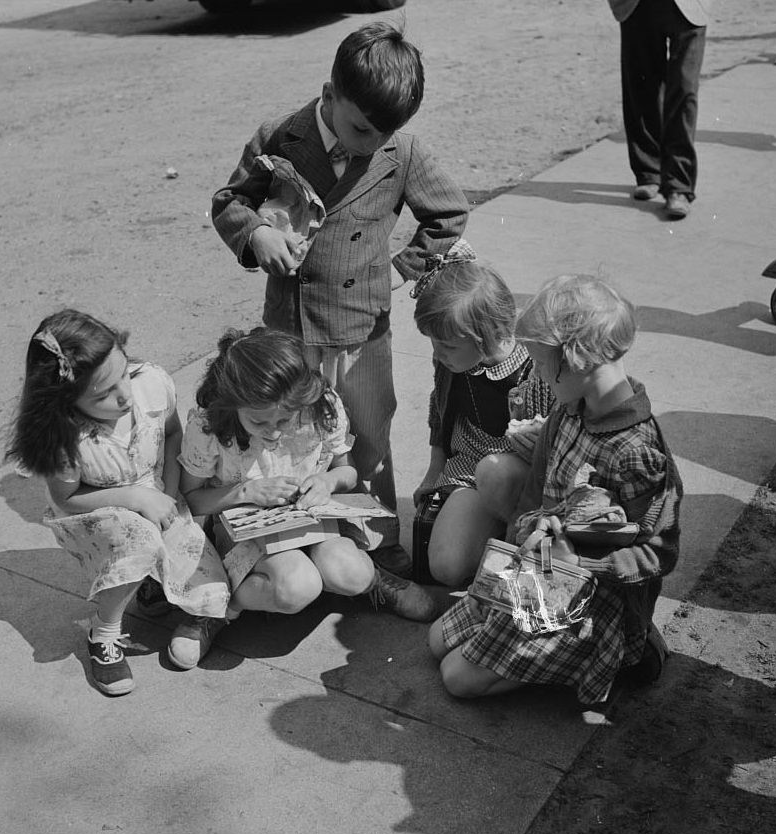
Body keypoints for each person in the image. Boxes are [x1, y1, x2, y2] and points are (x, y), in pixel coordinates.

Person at [211, 21, 469, 578]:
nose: (371, 142)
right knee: (288, 433)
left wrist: (403, 268)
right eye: (360, 127)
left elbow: (448, 215)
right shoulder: (281, 135)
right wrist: (257, 235)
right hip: (291, 329)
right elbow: (230, 202)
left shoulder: (402, 152)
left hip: (361, 329)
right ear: (330, 95)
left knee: (369, 435)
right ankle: (291, 538)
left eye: (384, 132)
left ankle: (380, 539)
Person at [428, 275, 683, 705]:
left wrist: (580, 559)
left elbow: (659, 553)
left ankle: (613, 656)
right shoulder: (566, 415)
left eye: (544, 365)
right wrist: (535, 529)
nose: (540, 378)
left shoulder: (637, 452)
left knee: (456, 677)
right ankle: (533, 647)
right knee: (437, 642)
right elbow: (530, 503)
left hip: (590, 601)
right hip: (538, 573)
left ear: (577, 357)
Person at [7, 309, 232, 697]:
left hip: (161, 493)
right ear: (66, 399)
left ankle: (156, 587)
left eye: (124, 372)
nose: (124, 394)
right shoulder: (66, 437)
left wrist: (170, 495)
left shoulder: (152, 384)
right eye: (104, 394)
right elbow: (68, 497)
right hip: (100, 511)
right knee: (140, 540)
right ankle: (104, 632)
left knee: (211, 588)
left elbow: (174, 434)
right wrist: (135, 497)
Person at [178, 327, 445, 623]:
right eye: (258, 421)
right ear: (233, 404)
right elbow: (190, 499)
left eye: (284, 419)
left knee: (352, 573)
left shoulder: (319, 408)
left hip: (314, 524)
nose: (275, 431)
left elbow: (348, 470)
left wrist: (327, 481)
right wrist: (245, 492)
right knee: (298, 586)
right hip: (247, 537)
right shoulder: (209, 427)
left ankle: (373, 581)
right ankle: (222, 608)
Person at [411, 241, 553, 588]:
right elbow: (439, 411)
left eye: (447, 346)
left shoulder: (537, 367)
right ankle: (497, 543)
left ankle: (519, 548)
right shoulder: (452, 361)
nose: (438, 353)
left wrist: (542, 438)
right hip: (469, 469)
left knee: (496, 471)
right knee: (445, 567)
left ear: (484, 337)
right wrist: (434, 468)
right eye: (434, 343)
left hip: (524, 479)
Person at [607, 0, 711, 219]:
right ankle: (648, 171)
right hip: (637, 5)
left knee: (684, 91)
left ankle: (678, 186)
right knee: (642, 86)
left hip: (688, 6)